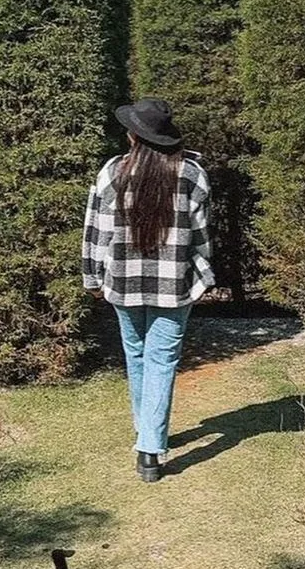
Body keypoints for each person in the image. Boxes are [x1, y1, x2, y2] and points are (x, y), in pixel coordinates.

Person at [82, 97, 214, 482]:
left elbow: (96, 232)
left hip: (122, 282)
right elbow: (202, 237)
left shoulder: (112, 172)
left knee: (137, 355)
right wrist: (203, 275)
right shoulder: (192, 174)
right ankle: (149, 447)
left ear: (134, 137)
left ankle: (148, 439)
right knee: (161, 360)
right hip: (174, 284)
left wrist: (92, 278)